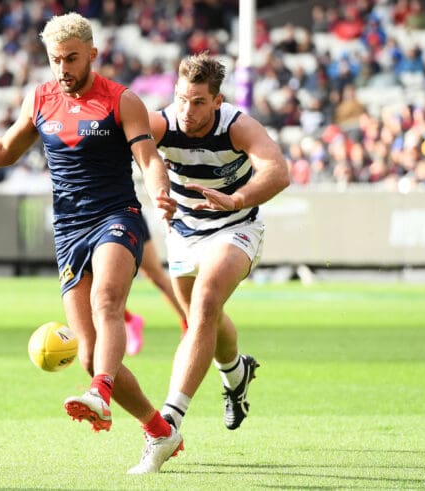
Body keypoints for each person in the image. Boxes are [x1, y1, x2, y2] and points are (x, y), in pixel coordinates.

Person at [0, 12, 182, 474]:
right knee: (87, 354)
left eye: (71, 59)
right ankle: (159, 431)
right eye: (54, 59)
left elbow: (149, 158)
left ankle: (99, 394)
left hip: (116, 217)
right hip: (68, 230)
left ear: (92, 55)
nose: (62, 68)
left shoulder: (122, 101)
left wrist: (161, 192)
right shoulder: (40, 99)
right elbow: (5, 149)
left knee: (108, 301)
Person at [145, 53, 290, 434]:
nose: (186, 110)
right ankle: (236, 372)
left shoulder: (237, 126)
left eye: (197, 102)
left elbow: (278, 171)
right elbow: (145, 158)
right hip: (183, 232)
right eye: (181, 99)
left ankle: (170, 419)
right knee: (200, 318)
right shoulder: (161, 122)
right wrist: (159, 190)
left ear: (217, 102)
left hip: (235, 226)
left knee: (207, 300)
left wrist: (238, 199)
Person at [124, 221, 188, 357]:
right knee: (92, 284)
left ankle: (188, 323)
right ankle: (129, 320)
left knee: (155, 275)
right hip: (77, 219)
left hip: (121, 215)